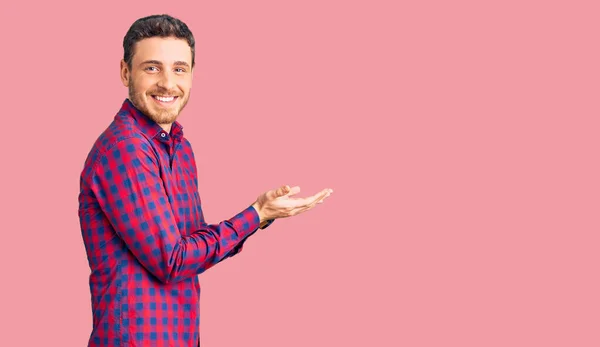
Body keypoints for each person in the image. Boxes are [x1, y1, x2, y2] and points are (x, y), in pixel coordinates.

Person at [78, 14, 332, 347]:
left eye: (179, 69)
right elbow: (172, 261)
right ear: (126, 72)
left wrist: (262, 215)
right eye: (152, 68)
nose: (168, 84)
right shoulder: (124, 149)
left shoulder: (179, 148)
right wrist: (253, 215)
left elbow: (195, 247)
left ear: (193, 75)